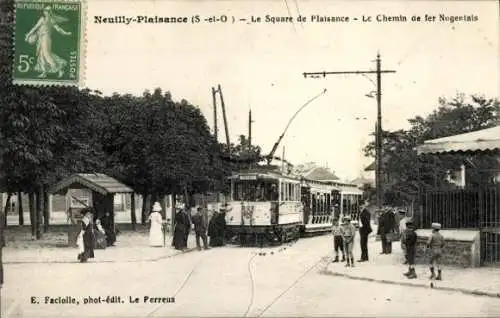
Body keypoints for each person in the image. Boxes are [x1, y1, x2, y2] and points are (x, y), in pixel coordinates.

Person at [24, 5, 72, 78]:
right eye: (46, 10)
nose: (46, 12)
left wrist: (65, 33)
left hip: (45, 38)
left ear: (50, 12)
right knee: (41, 55)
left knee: (46, 54)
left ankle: (59, 69)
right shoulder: (44, 19)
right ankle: (44, 72)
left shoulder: (48, 20)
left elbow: (58, 29)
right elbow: (35, 28)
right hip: (41, 38)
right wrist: (28, 35)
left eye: (48, 11)